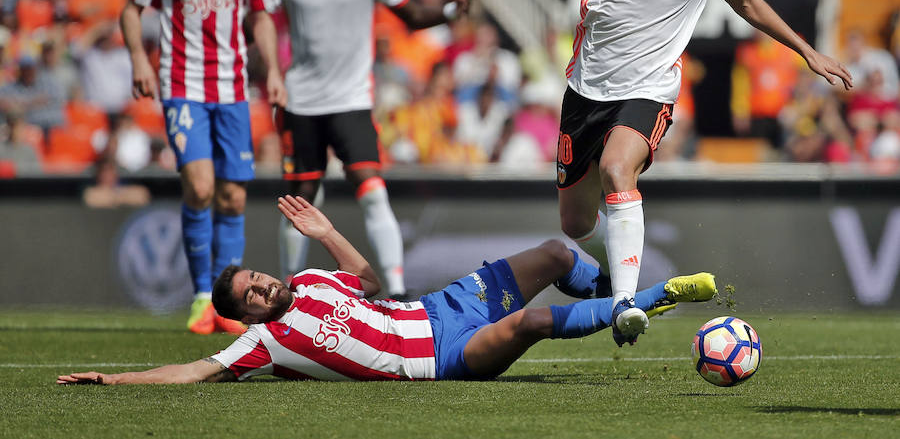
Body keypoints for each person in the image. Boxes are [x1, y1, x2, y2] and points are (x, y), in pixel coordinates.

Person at [515, 0, 852, 347]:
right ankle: (612, 277)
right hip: (586, 92)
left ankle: (624, 304)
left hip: (650, 90)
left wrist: (807, 52)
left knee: (616, 169)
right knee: (576, 222)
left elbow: (748, 3)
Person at [57, 194, 717, 385]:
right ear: (244, 315)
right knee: (531, 323)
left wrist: (327, 231)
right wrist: (115, 380)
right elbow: (194, 369)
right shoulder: (266, 342)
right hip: (438, 359)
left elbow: (368, 282)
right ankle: (647, 301)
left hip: (439, 307)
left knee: (554, 251)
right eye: (250, 295)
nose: (262, 289)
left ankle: (618, 292)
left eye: (258, 277)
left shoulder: (311, 278)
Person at [268, 0, 470, 299]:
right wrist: (265, 67)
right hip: (302, 103)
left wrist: (450, 10)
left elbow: (411, 16)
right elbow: (256, 19)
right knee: (301, 200)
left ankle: (395, 289)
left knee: (373, 189)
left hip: (352, 102)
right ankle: (288, 287)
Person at [119, 0, 287, 336]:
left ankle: (229, 305)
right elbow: (132, 11)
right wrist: (138, 60)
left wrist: (273, 69)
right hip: (182, 86)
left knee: (233, 196)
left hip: (233, 90)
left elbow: (262, 18)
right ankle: (200, 296)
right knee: (200, 187)